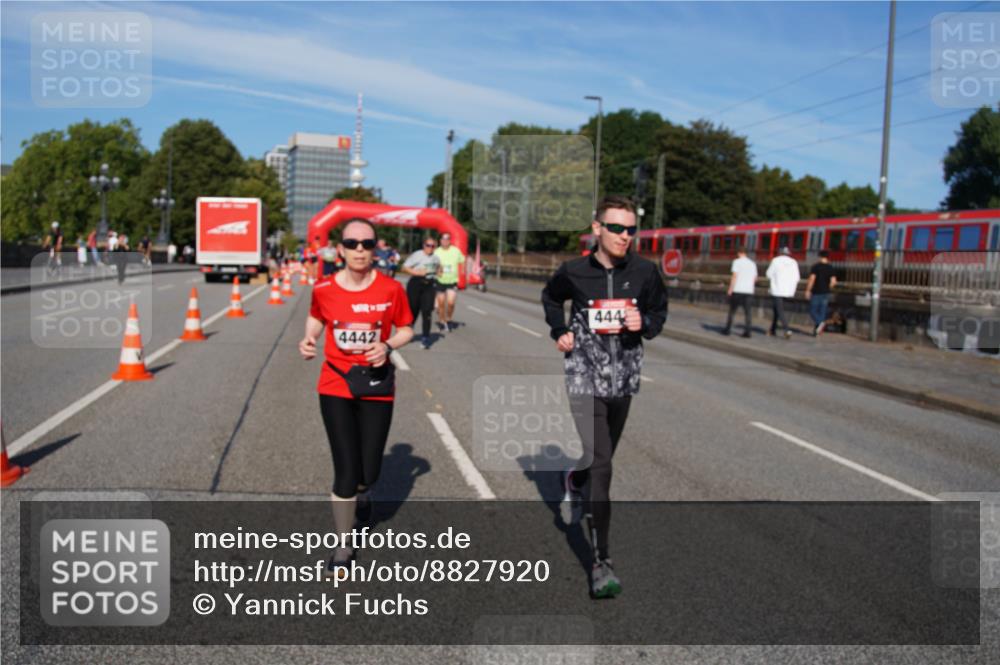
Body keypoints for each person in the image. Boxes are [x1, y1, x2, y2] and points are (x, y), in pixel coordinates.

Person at [541, 195, 668, 599]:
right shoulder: (574, 271)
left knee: (601, 457)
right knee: (603, 464)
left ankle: (574, 478)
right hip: (584, 376)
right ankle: (601, 561)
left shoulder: (645, 272)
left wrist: (643, 321)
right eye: (616, 228)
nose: (625, 236)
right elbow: (550, 297)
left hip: (624, 379)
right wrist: (558, 330)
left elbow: (660, 313)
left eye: (631, 229)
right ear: (597, 229)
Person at [298, 218, 414, 579]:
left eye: (366, 244)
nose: (360, 250)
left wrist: (388, 344)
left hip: (376, 386)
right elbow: (316, 317)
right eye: (352, 243)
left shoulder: (392, 289)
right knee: (345, 472)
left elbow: (407, 327)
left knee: (370, 471)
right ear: (340, 249)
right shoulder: (324, 288)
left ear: (376, 248)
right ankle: (344, 545)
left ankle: (364, 493)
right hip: (335, 384)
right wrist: (309, 339)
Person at [401, 236, 442, 349]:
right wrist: (416, 272)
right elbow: (404, 267)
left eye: (432, 246)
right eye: (428, 245)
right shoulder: (417, 255)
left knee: (427, 311)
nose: (430, 248)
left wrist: (439, 272)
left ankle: (425, 338)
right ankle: (408, 333)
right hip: (416, 283)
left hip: (429, 284)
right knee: (413, 310)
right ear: (424, 246)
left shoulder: (436, 258)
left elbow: (439, 267)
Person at [765, 247, 800, 339]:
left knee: (779, 310)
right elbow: (797, 277)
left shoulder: (775, 261)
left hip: (777, 289)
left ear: (780, 253)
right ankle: (772, 330)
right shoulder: (794, 262)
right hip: (789, 291)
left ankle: (787, 329)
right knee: (776, 309)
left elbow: (768, 274)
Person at [722, 246, 757, 338]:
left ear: (739, 253)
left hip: (738, 290)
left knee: (732, 311)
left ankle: (727, 329)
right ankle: (748, 332)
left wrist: (730, 289)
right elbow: (755, 278)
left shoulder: (736, 262)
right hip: (749, 291)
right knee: (748, 312)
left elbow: (734, 276)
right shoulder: (752, 264)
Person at [433, 232, 465, 333]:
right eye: (443, 239)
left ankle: (449, 319)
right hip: (440, 280)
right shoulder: (436, 252)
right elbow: (431, 264)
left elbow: (462, 261)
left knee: (451, 303)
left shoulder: (456, 251)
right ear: (440, 241)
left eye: (447, 239)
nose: (445, 241)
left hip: (452, 281)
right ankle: (442, 322)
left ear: (450, 241)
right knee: (441, 304)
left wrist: (463, 274)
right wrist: (436, 271)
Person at [805, 249, 838, 336]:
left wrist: (808, 290)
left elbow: (812, 279)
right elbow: (834, 281)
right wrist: (828, 287)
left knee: (812, 311)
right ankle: (817, 331)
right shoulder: (830, 267)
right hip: (826, 292)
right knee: (822, 312)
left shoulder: (816, 267)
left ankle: (820, 323)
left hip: (816, 292)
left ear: (820, 257)